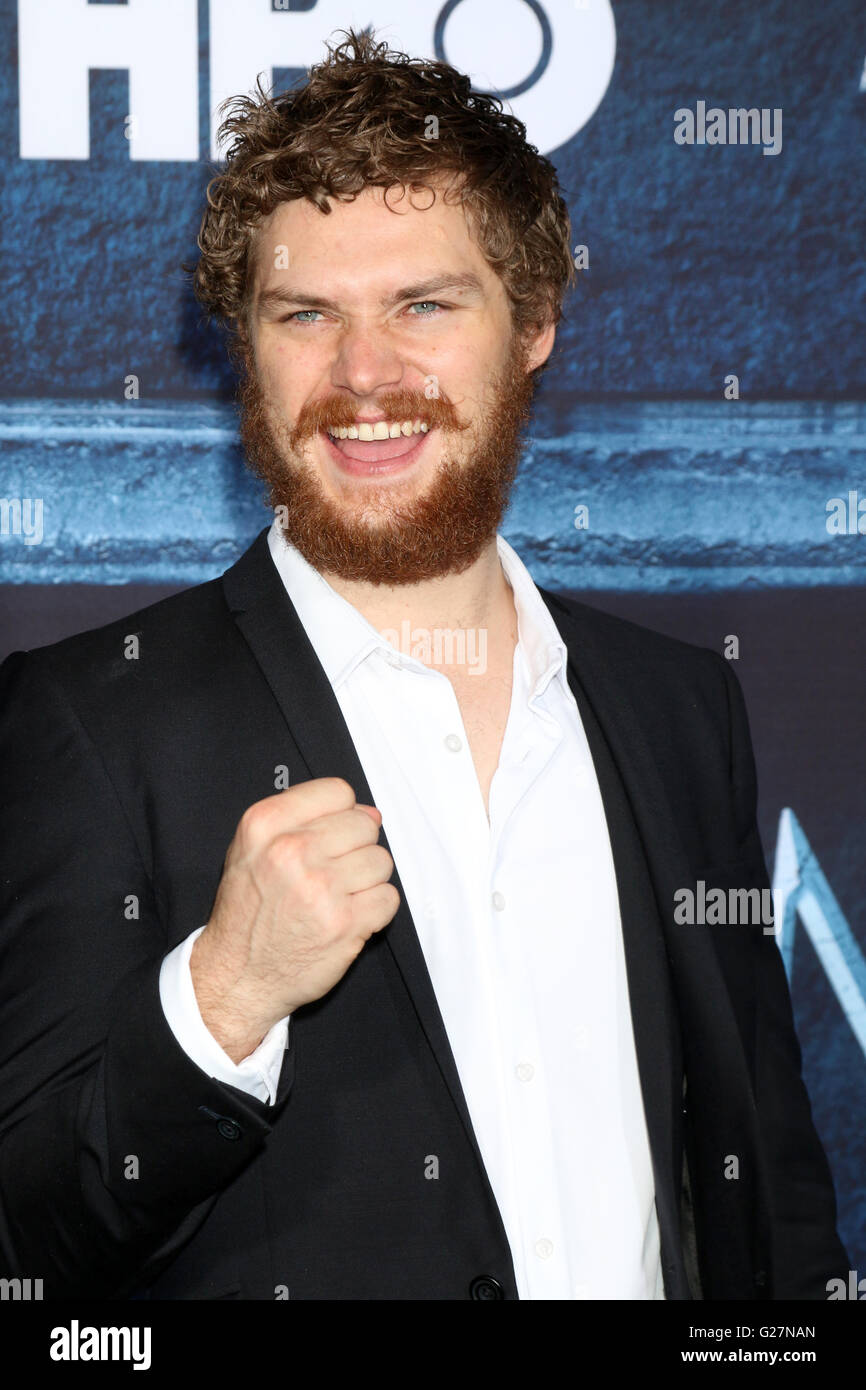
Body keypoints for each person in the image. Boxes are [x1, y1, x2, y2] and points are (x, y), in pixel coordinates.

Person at [0, 29, 848, 1301]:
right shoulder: (87, 720)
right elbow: (28, 1236)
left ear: (535, 324)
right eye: (305, 315)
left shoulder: (675, 709)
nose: (364, 377)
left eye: (424, 305)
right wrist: (222, 997)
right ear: (247, 345)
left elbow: (767, 1196)